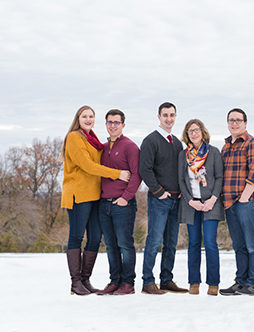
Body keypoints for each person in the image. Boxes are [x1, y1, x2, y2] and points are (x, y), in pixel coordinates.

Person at [61, 105, 130, 295]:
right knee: (76, 236)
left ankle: (85, 280)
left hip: (94, 195)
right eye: (85, 116)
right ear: (78, 118)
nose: (89, 119)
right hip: (78, 195)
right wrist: (118, 174)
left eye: (91, 116)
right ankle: (75, 282)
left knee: (95, 238)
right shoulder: (74, 137)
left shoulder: (92, 139)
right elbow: (87, 165)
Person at [139, 102, 187, 294]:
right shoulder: (150, 141)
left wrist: (182, 189)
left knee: (171, 242)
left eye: (172, 115)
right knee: (154, 240)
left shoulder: (177, 142)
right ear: (158, 116)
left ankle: (166, 279)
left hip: (176, 199)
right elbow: (145, 169)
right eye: (165, 115)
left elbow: (181, 169)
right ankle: (148, 282)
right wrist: (158, 191)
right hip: (159, 199)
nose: (169, 118)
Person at [219, 108, 254, 296]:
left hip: (248, 201)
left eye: (238, 120)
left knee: (252, 244)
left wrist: (245, 198)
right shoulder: (226, 147)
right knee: (239, 246)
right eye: (231, 120)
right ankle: (240, 282)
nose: (234, 123)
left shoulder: (253, 143)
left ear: (245, 123)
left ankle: (253, 284)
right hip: (230, 203)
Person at [96, 109, 142, 295]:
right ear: (106, 124)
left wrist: (125, 198)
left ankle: (127, 283)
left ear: (123, 125)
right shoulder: (103, 148)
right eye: (109, 122)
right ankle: (114, 281)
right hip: (104, 203)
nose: (113, 125)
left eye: (116, 122)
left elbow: (137, 175)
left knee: (125, 244)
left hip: (123, 204)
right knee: (110, 244)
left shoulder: (130, 146)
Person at [177, 119, 224, 296]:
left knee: (210, 242)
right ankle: (194, 282)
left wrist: (212, 199)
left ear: (202, 132)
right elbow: (181, 180)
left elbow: (219, 177)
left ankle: (213, 283)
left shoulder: (213, 152)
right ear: (186, 135)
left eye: (196, 130)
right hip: (191, 204)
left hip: (210, 203)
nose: (194, 134)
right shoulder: (183, 155)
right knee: (194, 243)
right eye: (190, 131)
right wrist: (190, 200)